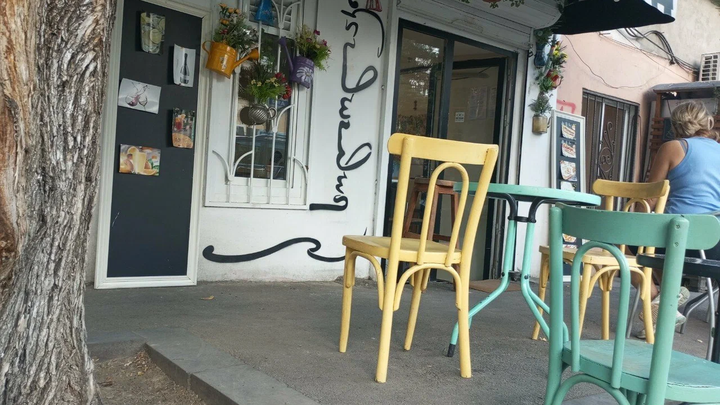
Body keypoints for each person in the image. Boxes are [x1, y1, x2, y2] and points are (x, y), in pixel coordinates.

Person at [634, 101, 720, 338]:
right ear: (706, 122)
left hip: (677, 237)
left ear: (675, 125)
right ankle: (665, 304)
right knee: (655, 246)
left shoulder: (672, 147)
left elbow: (650, 198)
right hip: (713, 243)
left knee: (621, 245)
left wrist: (632, 220)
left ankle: (661, 298)